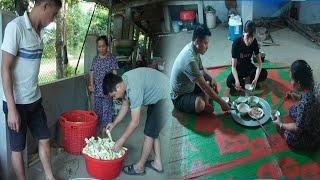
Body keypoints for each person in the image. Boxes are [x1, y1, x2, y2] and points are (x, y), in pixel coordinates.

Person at [1, 0, 61, 180]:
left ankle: (50, 178)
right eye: (53, 14)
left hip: (34, 100)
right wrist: (11, 109)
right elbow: (5, 68)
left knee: (44, 139)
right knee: (18, 148)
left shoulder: (38, 33)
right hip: (16, 103)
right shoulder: (16, 27)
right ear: (45, 6)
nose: (53, 19)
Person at [103, 67, 169, 175]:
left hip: (166, 97)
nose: (114, 98)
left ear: (118, 87)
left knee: (149, 133)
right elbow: (125, 105)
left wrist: (121, 140)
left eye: (114, 95)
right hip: (158, 95)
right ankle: (158, 163)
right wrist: (114, 123)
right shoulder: (124, 80)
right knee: (153, 132)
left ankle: (139, 167)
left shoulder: (134, 89)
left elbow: (135, 122)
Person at [170, 24, 230, 114]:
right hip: (180, 96)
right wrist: (222, 103)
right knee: (200, 104)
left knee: (209, 83)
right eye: (205, 43)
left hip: (190, 85)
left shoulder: (194, 48)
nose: (207, 47)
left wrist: (211, 78)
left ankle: (205, 100)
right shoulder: (189, 60)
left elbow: (201, 69)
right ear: (197, 41)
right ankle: (203, 102)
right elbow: (204, 87)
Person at [272, 60, 320, 149]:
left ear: (299, 83)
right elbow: (312, 100)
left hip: (314, 134)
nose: (291, 82)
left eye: (292, 79)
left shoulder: (305, 104)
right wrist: (298, 96)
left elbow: (297, 128)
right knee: (292, 110)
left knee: (289, 136)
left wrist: (281, 124)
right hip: (315, 114)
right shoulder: (315, 84)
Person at [226, 20, 268, 95]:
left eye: (252, 37)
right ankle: (243, 82)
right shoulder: (236, 43)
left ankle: (251, 82)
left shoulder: (254, 42)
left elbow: (259, 64)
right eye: (247, 36)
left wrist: (255, 79)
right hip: (238, 68)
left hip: (249, 67)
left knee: (264, 73)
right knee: (229, 82)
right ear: (243, 33)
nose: (249, 40)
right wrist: (237, 81)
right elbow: (233, 67)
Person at [88, 35, 119, 130]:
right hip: (97, 90)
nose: (101, 48)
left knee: (107, 111)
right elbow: (92, 73)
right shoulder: (95, 59)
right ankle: (98, 131)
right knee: (97, 111)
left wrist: (115, 86)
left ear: (107, 46)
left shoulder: (111, 58)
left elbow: (115, 72)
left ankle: (106, 132)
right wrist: (92, 85)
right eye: (99, 47)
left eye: (103, 46)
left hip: (107, 90)